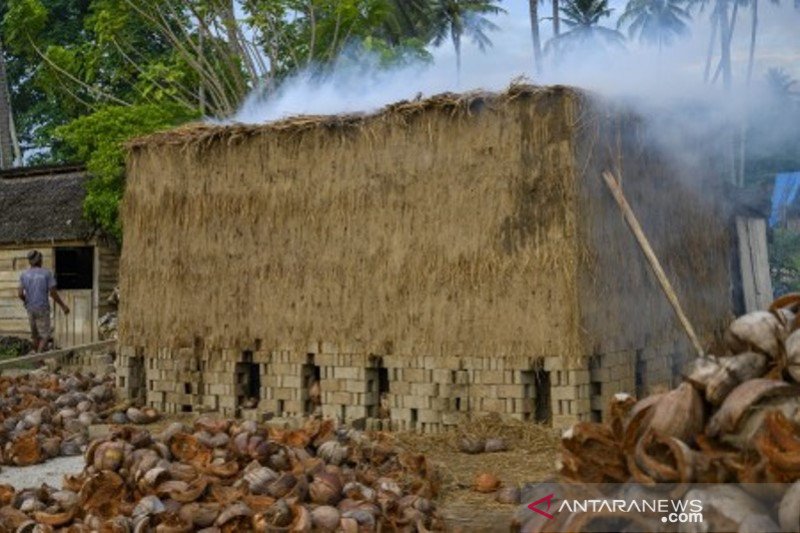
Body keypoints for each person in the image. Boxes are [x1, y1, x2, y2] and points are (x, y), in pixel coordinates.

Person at [17, 250, 70, 352]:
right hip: (42, 308)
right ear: (39, 260)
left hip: (30, 308)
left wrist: (26, 301)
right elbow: (53, 293)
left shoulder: (24, 275)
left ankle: (39, 361)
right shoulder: (46, 273)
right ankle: (39, 357)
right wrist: (63, 306)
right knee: (46, 335)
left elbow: (20, 294)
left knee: (35, 335)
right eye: (41, 259)